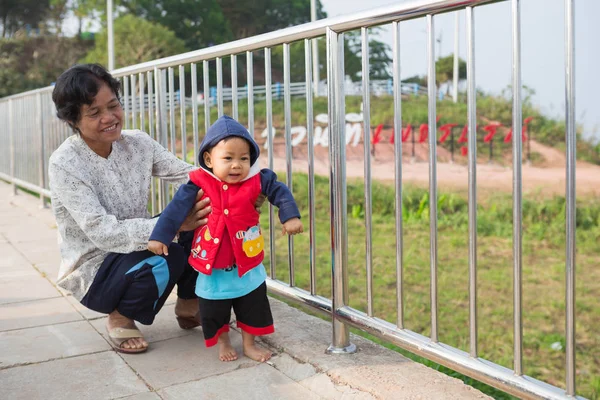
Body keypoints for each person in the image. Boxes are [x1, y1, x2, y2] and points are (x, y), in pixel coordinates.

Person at [48, 63, 213, 354]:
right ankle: (120, 316)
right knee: (168, 250)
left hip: (135, 244)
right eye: (95, 112)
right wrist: (171, 226)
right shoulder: (65, 163)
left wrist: (235, 186)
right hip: (95, 267)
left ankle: (189, 304)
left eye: (113, 105)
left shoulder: (137, 143)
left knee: (203, 211)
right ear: (73, 120)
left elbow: (188, 175)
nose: (109, 118)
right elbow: (103, 233)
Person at [148, 115, 303, 362]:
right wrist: (161, 236)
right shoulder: (199, 182)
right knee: (213, 308)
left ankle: (250, 344)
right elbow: (175, 210)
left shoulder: (258, 180)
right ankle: (223, 343)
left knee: (253, 304)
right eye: (228, 158)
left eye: (244, 158)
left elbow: (280, 192)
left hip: (246, 262)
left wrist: (290, 216)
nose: (236, 165)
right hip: (213, 264)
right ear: (209, 159)